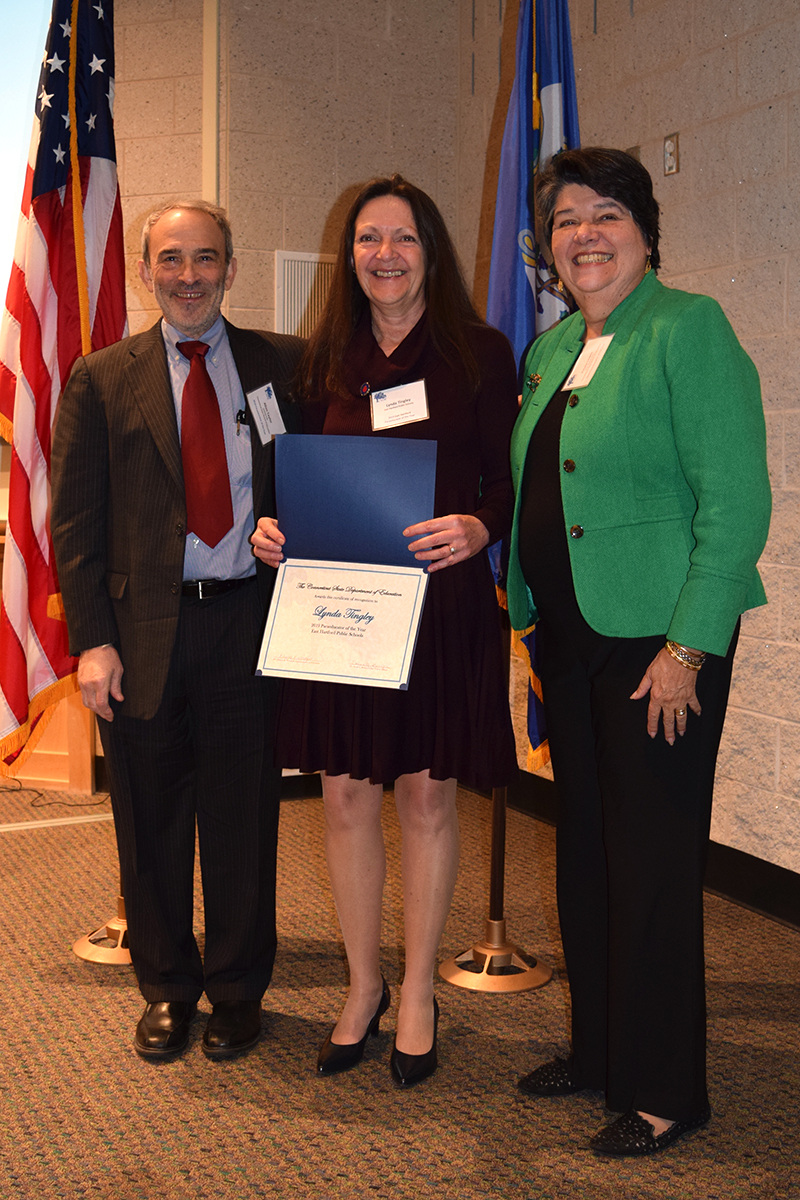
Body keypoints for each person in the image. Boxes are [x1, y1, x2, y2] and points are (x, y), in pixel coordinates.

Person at [506, 148, 771, 1155]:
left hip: (659, 650)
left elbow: (735, 502)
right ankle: (599, 1052)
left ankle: (664, 1089)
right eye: (565, 219)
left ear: (645, 233)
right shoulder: (551, 350)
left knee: (651, 862)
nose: (584, 233)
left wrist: (689, 647)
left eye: (606, 213)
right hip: (570, 640)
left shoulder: (687, 328)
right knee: (585, 850)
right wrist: (529, 616)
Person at [252, 174, 518, 1086]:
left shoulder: (479, 354)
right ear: (351, 255)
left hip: (438, 606)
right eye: (370, 239)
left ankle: (417, 994)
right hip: (342, 609)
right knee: (345, 799)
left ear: (429, 252)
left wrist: (481, 527)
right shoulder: (322, 358)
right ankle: (363, 987)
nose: (386, 254)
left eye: (404, 237)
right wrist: (273, 529)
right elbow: (290, 478)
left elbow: (507, 480)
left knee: (427, 800)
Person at [51, 201, 303, 1061]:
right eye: (171, 259)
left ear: (231, 267)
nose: (188, 276)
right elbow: (76, 523)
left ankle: (237, 989)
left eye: (204, 258)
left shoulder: (282, 365)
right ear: (147, 270)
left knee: (244, 819)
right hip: (139, 633)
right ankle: (166, 986)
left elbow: (312, 480)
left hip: (246, 622)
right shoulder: (101, 377)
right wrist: (93, 640)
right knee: (149, 818)